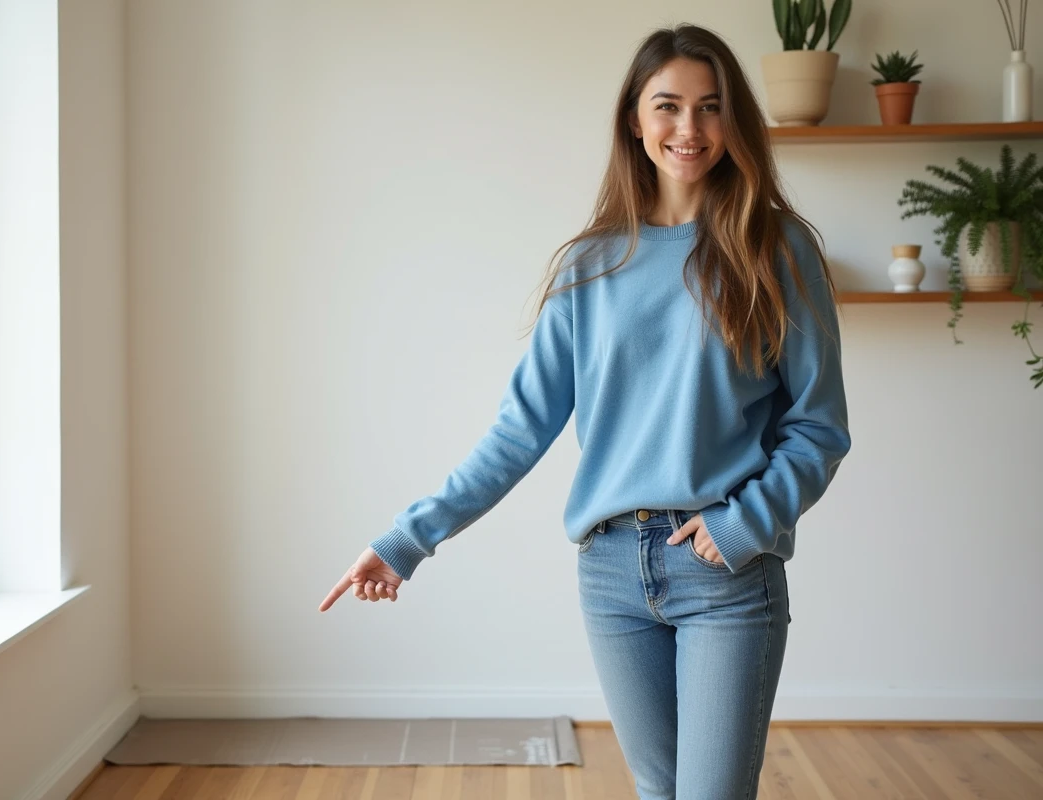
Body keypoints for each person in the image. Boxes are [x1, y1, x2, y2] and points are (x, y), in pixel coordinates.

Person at [319, 22, 850, 800]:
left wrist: (741, 524)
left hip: (726, 571)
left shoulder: (777, 250)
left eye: (711, 107)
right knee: (657, 791)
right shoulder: (589, 265)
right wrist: (407, 540)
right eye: (668, 106)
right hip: (610, 573)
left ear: (733, 122)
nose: (689, 129)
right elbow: (518, 432)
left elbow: (818, 427)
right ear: (635, 121)